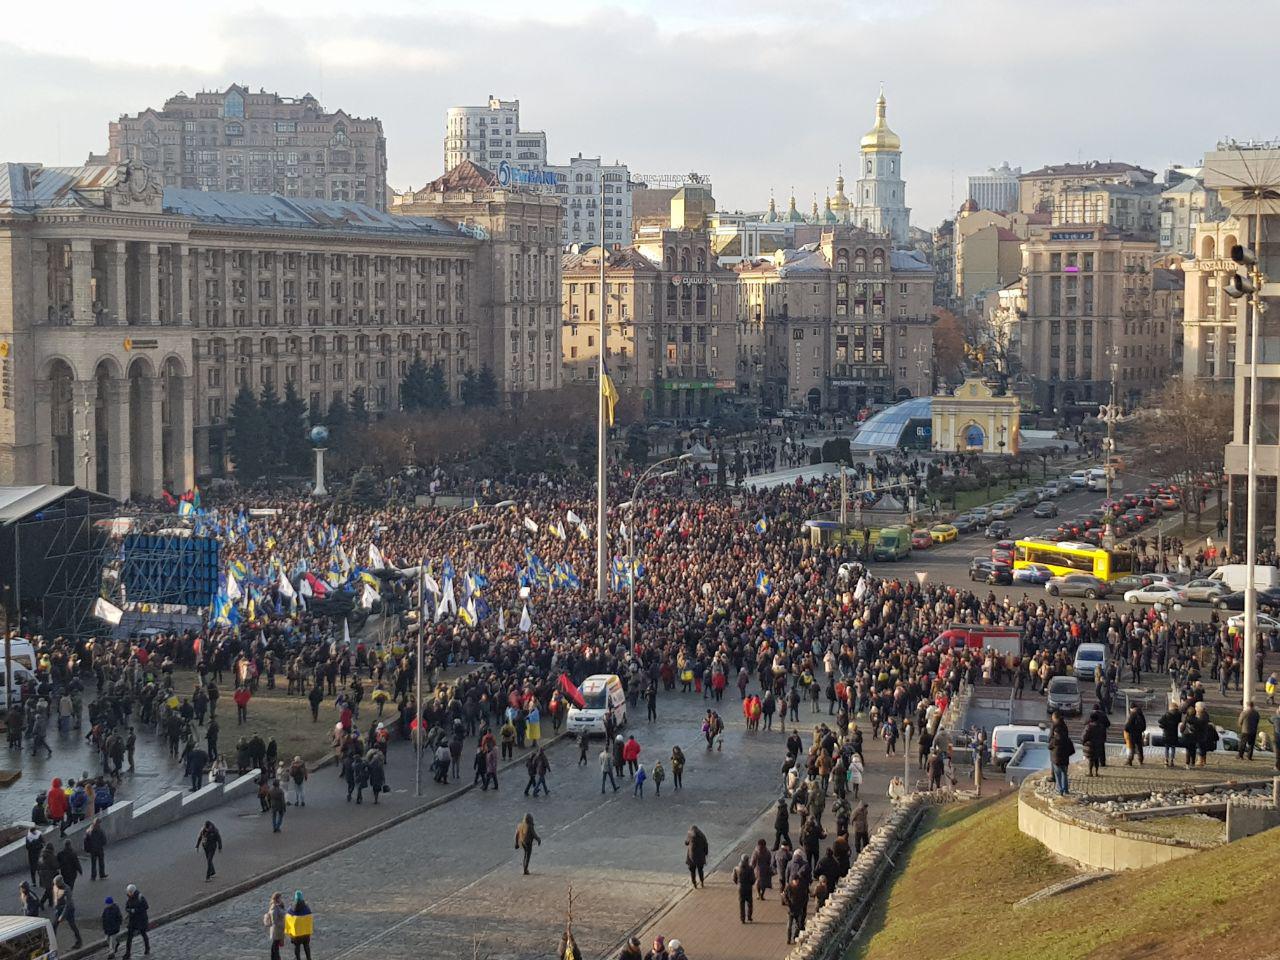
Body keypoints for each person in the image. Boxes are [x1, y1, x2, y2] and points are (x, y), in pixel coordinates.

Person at [52, 875, 82, 949]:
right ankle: (52, 943)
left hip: (69, 910)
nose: (55, 885)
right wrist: (55, 906)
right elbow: (55, 897)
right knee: (54, 926)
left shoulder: (67, 889)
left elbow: (68, 904)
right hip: (59, 909)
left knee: (72, 925)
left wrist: (62, 915)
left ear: (60, 882)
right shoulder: (55, 887)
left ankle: (79, 941)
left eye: (57, 884)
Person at [1048, 711, 1074, 796]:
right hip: (1065, 757)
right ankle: (1065, 789)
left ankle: (1059, 790)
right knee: (1064, 773)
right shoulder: (1065, 728)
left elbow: (1049, 744)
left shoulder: (1054, 738)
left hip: (1056, 759)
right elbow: (1071, 749)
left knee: (1058, 774)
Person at [122, 883, 149, 958]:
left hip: (141, 919)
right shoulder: (129, 898)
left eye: (129, 892)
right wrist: (129, 910)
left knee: (143, 934)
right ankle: (127, 953)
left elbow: (146, 907)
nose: (128, 894)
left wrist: (135, 910)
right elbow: (127, 907)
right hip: (133, 920)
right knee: (129, 937)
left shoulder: (140, 897)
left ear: (133, 891)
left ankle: (147, 948)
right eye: (128, 892)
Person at [286, 891, 312, 960]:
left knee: (297, 947)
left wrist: (290, 932)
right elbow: (309, 920)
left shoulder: (291, 909)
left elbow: (288, 920)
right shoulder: (306, 908)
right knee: (306, 946)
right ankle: (309, 958)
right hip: (305, 932)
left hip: (296, 933)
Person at [732, 853, 755, 922]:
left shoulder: (736, 868)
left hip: (741, 887)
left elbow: (734, 878)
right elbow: (753, 879)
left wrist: (738, 883)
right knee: (750, 903)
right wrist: (751, 884)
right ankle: (749, 916)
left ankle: (742, 918)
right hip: (748, 888)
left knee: (741, 903)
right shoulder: (750, 868)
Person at [264, 891, 287, 960]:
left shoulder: (279, 906)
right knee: (275, 944)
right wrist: (283, 926)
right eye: (280, 898)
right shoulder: (275, 907)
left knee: (275, 944)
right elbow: (275, 921)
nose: (281, 899)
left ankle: (274, 957)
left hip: (278, 929)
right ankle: (276, 958)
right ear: (277, 898)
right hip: (277, 929)